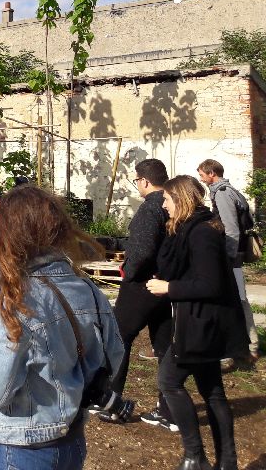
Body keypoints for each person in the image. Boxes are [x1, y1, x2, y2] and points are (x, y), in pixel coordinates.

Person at [0, 185, 124, 470]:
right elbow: (112, 357)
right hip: (71, 440)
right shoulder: (86, 289)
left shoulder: (13, 297)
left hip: (19, 446)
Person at [147, 175, 247, 470]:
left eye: (167, 200)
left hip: (201, 325)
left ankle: (195, 456)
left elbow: (210, 284)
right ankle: (226, 461)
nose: (164, 206)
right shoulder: (193, 229)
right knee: (213, 391)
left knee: (168, 381)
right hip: (203, 323)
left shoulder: (201, 233)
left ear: (181, 199)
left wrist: (169, 288)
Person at [102, 158, 176, 429]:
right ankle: (169, 408)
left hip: (142, 285)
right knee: (164, 344)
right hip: (166, 285)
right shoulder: (174, 204)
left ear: (144, 181)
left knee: (118, 338)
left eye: (136, 181)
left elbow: (143, 250)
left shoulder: (150, 208)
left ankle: (112, 404)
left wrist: (129, 271)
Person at [197, 159, 259, 361]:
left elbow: (231, 229)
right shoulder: (229, 190)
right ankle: (248, 345)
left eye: (202, 175)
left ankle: (248, 347)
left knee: (237, 299)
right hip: (234, 254)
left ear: (212, 173)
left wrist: (228, 257)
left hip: (231, 255)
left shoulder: (223, 194)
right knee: (238, 298)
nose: (201, 179)